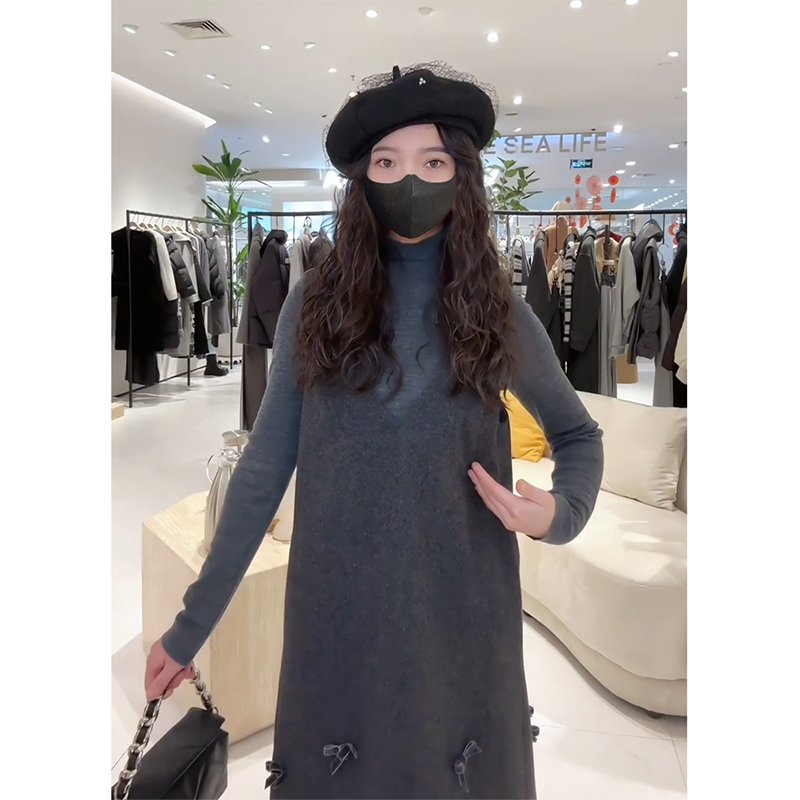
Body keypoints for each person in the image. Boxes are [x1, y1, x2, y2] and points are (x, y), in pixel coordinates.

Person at [144, 63, 603, 800]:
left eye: (433, 162)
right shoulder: (316, 304)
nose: (409, 180)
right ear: (362, 179)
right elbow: (265, 468)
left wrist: (558, 513)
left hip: (462, 612)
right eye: (387, 163)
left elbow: (579, 436)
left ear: (462, 176)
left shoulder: (495, 310)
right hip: (340, 613)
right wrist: (191, 625)